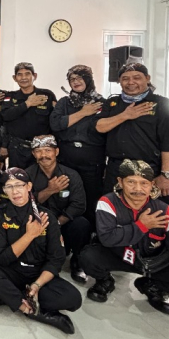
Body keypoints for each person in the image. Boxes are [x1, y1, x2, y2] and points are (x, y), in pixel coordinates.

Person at [80, 160, 169, 315]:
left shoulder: (165, 211)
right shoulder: (107, 202)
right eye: (131, 182)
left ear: (152, 185)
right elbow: (107, 238)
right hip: (120, 257)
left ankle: (151, 285)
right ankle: (105, 280)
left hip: (155, 262)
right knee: (88, 257)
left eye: (144, 183)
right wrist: (142, 225)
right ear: (120, 182)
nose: (138, 189)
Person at [0, 168, 82, 334]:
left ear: (29, 186)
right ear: (4, 190)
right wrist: (30, 235)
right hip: (11, 272)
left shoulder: (46, 216)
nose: (15, 191)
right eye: (9, 187)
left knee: (73, 299)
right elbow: (2, 258)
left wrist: (37, 285)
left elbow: (56, 259)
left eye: (19, 185)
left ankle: (7, 296)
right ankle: (28, 309)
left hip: (38, 274)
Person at [95, 63, 169, 205]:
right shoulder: (112, 103)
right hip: (117, 170)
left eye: (137, 77)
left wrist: (166, 176)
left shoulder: (162, 104)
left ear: (147, 78)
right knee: (113, 210)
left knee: (153, 213)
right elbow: (99, 127)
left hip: (150, 170)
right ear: (119, 81)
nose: (131, 82)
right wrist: (125, 115)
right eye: (125, 78)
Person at [26, 135, 90, 283]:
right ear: (33, 154)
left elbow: (79, 205)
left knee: (82, 224)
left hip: (62, 223)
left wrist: (58, 223)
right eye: (39, 151)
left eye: (48, 150)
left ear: (57, 152)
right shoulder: (27, 175)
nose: (43, 155)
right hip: (39, 224)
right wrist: (50, 190)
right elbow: (25, 203)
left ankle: (78, 262)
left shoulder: (71, 175)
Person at [50, 64, 106, 224]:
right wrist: (83, 113)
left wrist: (68, 123)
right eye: (72, 79)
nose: (75, 81)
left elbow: (101, 131)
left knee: (92, 198)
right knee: (66, 196)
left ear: (88, 79)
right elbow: (55, 124)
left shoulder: (101, 102)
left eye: (80, 78)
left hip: (92, 162)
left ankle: (91, 231)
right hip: (67, 160)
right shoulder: (64, 102)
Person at [2, 62, 56, 169]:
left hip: (41, 148)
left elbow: (55, 120)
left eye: (27, 74)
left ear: (34, 76)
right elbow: (6, 116)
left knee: (40, 177)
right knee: (17, 177)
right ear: (14, 78)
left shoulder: (47, 95)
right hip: (17, 148)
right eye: (19, 74)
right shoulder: (10, 96)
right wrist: (27, 104)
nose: (23, 78)